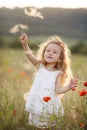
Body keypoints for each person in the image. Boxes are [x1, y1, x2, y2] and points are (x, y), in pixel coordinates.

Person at [20, 33, 78, 130]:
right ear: (44, 53)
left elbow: (58, 90)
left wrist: (69, 87)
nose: (50, 53)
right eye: (48, 51)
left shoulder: (58, 73)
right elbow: (29, 55)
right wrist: (25, 44)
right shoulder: (40, 65)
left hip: (49, 105)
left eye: (55, 52)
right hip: (38, 103)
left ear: (60, 58)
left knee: (49, 126)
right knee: (37, 126)